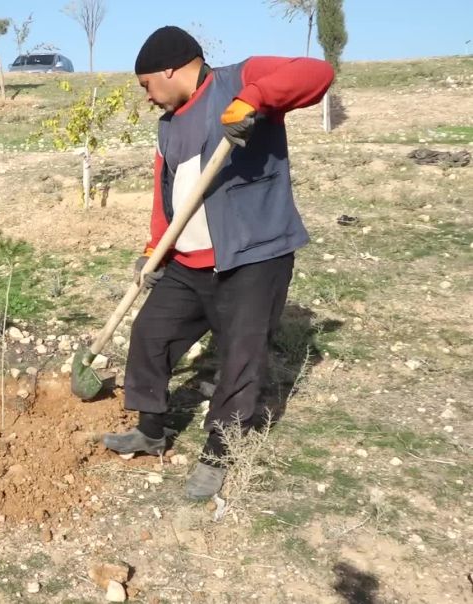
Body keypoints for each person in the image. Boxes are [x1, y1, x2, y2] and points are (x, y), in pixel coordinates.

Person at [101, 26, 334, 500]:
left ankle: (219, 452)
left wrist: (256, 99)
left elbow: (317, 73)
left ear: (169, 68)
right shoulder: (168, 126)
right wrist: (155, 247)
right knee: (151, 333)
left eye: (147, 84)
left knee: (239, 358)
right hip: (188, 262)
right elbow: (164, 193)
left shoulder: (238, 79)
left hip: (252, 258)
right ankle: (150, 429)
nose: (147, 97)